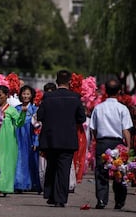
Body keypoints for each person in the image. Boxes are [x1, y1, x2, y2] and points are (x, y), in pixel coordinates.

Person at [37, 70, 86, 207]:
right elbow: (81, 118)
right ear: (70, 81)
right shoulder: (75, 98)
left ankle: (51, 194)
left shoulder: (48, 97)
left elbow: (40, 116)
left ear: (56, 81)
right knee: (63, 169)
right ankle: (60, 198)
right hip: (67, 139)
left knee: (51, 166)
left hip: (50, 138)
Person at [90, 79, 133, 210]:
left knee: (101, 173)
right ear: (119, 91)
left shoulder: (98, 108)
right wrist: (128, 146)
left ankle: (102, 200)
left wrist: (97, 139)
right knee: (119, 173)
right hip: (117, 143)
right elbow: (126, 129)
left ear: (105, 91)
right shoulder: (122, 108)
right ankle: (119, 201)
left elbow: (93, 128)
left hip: (102, 142)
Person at [0, 85, 26, 196]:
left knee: (7, 164)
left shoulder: (11, 110)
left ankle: (3, 187)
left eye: (1, 94)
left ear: (6, 96)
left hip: (8, 140)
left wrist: (23, 113)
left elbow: (19, 123)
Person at [14, 85, 41, 193]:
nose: (25, 96)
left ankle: (32, 184)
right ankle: (19, 184)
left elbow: (38, 128)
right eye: (24, 93)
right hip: (18, 137)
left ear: (31, 95)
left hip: (30, 137)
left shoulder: (35, 109)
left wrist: (36, 141)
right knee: (19, 160)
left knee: (31, 161)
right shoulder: (17, 108)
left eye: (28, 94)